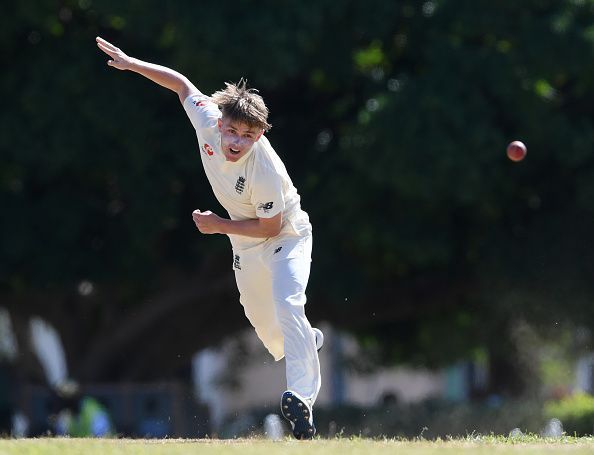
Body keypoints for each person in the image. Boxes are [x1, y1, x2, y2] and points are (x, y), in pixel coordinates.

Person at [96, 37, 322, 440]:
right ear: (219, 122)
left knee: (288, 302)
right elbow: (183, 85)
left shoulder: (265, 169)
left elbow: (270, 229)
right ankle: (306, 338)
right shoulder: (206, 119)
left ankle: (302, 398)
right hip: (244, 239)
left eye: (247, 136)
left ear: (260, 136)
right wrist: (132, 63)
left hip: (285, 232)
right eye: (232, 131)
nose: (236, 142)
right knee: (266, 323)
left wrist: (219, 225)